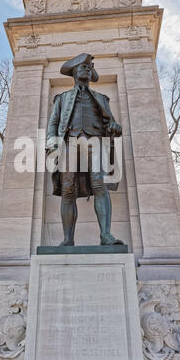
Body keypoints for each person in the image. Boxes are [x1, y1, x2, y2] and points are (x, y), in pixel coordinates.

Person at [46, 53, 123, 246]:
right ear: (74, 73)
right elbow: (53, 122)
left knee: (100, 185)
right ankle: (67, 239)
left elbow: (111, 122)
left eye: (89, 68)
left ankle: (106, 235)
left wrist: (115, 127)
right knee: (68, 190)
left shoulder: (101, 98)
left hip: (95, 142)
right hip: (70, 144)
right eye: (83, 68)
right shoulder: (62, 98)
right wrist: (52, 144)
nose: (87, 70)